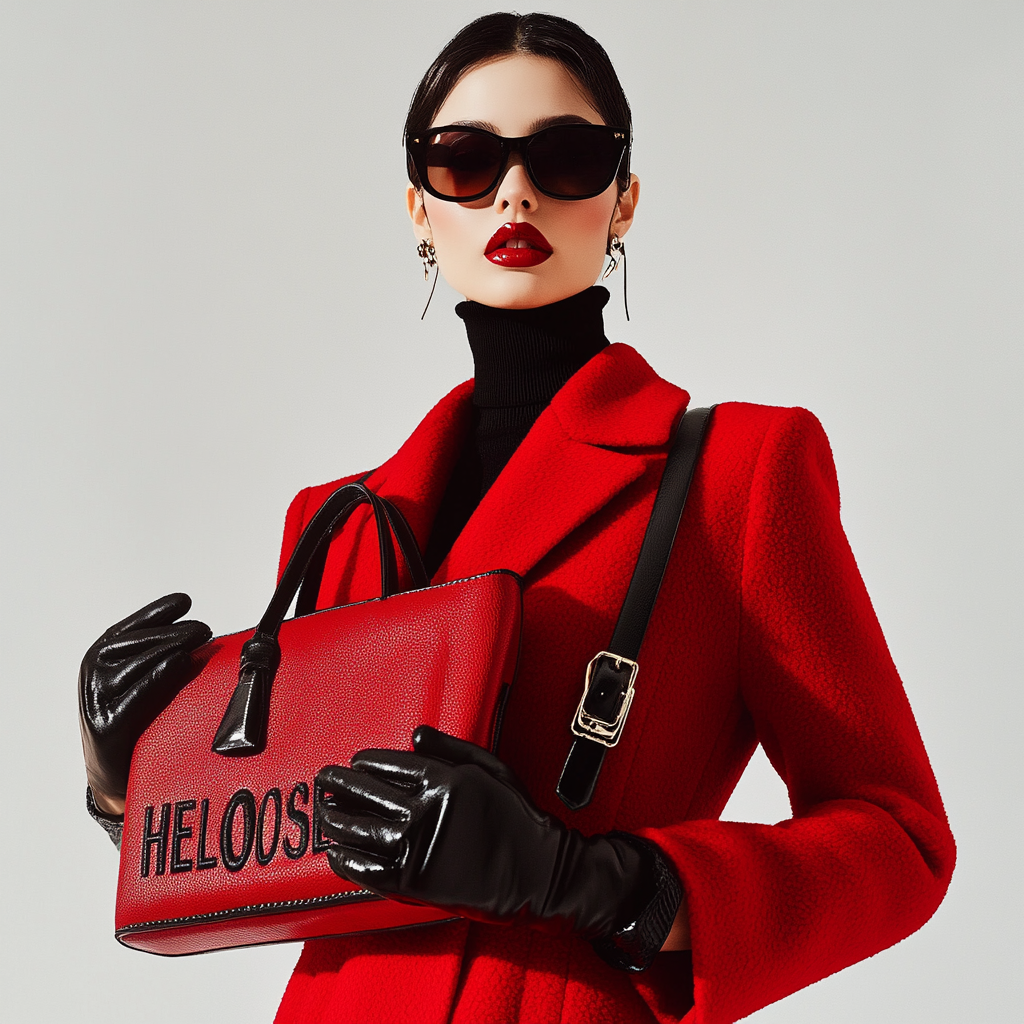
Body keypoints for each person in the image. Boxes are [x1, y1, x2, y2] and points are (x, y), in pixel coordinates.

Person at [78, 13, 955, 1024]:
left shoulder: (737, 475)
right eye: (464, 160)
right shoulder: (338, 520)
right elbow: (282, 848)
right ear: (417, 207)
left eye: (567, 156)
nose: (514, 191)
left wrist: (589, 880)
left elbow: (900, 842)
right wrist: (126, 783)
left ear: (624, 199)